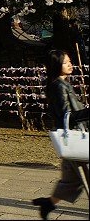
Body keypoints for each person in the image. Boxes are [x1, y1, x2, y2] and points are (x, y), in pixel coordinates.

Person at [33, 49, 89, 220]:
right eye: (66, 62)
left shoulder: (63, 84)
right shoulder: (58, 86)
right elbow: (67, 116)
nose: (70, 65)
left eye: (70, 61)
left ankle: (48, 203)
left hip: (77, 138)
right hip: (75, 139)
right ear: (57, 65)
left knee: (72, 180)